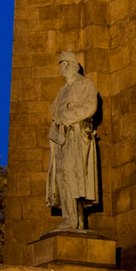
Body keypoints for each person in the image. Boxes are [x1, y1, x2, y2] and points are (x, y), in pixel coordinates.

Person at [47, 50, 101, 232]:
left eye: (66, 64)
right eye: (61, 64)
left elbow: (89, 106)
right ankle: (69, 218)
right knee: (62, 175)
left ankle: (74, 221)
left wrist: (67, 115)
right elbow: (55, 113)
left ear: (75, 66)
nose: (63, 68)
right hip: (61, 138)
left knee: (73, 176)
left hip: (77, 136)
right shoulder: (62, 91)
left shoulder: (85, 84)